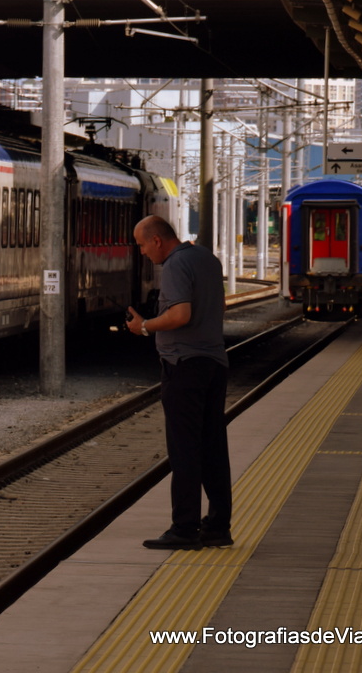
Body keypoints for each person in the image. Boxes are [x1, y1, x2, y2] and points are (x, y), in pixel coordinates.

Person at [125, 216, 232, 551]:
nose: (142, 252)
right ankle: (217, 527)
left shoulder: (174, 265)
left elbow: (180, 315)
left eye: (142, 245)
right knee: (213, 447)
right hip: (214, 364)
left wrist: (144, 327)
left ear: (157, 240)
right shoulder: (207, 259)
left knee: (184, 450)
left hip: (184, 366)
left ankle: (184, 529)